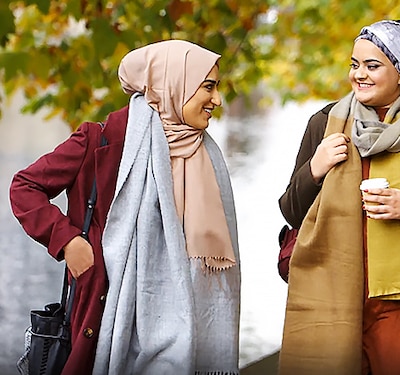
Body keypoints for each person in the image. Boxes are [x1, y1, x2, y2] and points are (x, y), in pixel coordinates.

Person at [10, 40, 241, 374]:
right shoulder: (98, 141)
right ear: (174, 84)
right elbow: (24, 187)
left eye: (216, 88)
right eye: (208, 87)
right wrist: (68, 241)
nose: (217, 100)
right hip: (105, 319)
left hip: (192, 329)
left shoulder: (206, 158)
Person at [278, 20, 400, 375]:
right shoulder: (324, 124)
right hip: (333, 299)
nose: (359, 75)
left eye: (372, 66)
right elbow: (292, 211)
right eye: (355, 64)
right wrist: (316, 168)